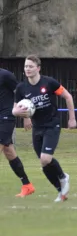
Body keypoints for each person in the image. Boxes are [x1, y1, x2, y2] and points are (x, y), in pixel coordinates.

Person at [12, 55, 77, 202]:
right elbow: (15, 109)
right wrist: (20, 115)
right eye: (26, 66)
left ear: (38, 68)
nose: (27, 69)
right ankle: (60, 190)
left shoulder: (49, 83)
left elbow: (68, 97)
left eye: (30, 66)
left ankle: (62, 177)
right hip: (37, 127)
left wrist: (72, 118)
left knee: (45, 158)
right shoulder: (21, 88)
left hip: (52, 124)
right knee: (43, 163)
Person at [0, 67, 35, 197]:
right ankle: (27, 185)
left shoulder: (5, 75)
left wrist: (26, 117)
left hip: (6, 117)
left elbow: (22, 95)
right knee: (9, 152)